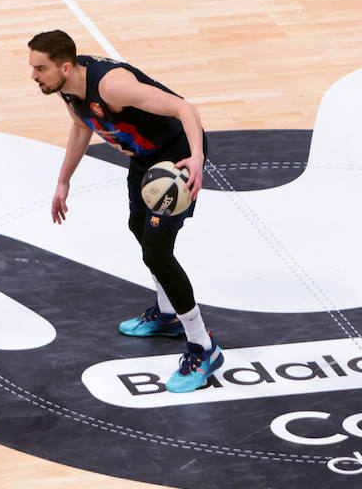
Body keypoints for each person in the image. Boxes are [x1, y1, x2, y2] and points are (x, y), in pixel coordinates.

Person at [28, 30, 224, 394]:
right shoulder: (69, 90)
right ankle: (168, 315)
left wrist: (196, 159)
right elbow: (80, 125)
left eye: (40, 68)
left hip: (176, 158)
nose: (34, 75)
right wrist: (63, 181)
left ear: (65, 67)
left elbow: (186, 108)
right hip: (143, 158)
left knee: (157, 251)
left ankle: (203, 347)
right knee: (138, 226)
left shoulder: (112, 86)